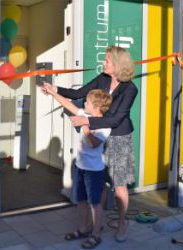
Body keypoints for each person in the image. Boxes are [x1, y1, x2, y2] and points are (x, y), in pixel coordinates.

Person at [41, 46, 137, 243]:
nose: (104, 63)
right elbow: (78, 94)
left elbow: (116, 119)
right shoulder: (102, 78)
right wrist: (55, 90)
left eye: (107, 60)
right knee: (98, 184)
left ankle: (121, 223)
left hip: (118, 138)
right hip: (96, 130)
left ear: (118, 64)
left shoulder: (130, 89)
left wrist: (86, 122)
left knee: (119, 186)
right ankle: (95, 225)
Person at [44, 86, 112, 249]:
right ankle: (82, 229)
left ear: (96, 107)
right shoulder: (85, 115)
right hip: (80, 167)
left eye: (87, 102)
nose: (84, 104)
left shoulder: (104, 125)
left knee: (95, 204)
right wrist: (54, 92)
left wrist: (84, 124)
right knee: (81, 201)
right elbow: (69, 105)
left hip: (94, 172)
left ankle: (95, 235)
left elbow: (94, 143)